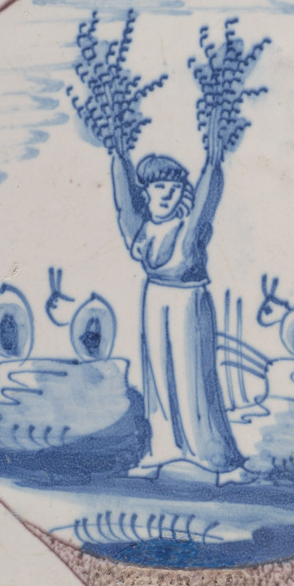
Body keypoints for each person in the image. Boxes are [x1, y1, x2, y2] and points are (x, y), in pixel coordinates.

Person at [109, 147, 253, 485]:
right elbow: (124, 203)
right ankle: (162, 449)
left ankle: (212, 456)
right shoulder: (144, 231)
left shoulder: (188, 227)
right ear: (146, 191)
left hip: (189, 300)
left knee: (193, 379)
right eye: (159, 187)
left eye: (174, 188)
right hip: (155, 298)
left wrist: (214, 159)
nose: (166, 194)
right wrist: (119, 154)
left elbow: (206, 200)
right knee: (158, 376)